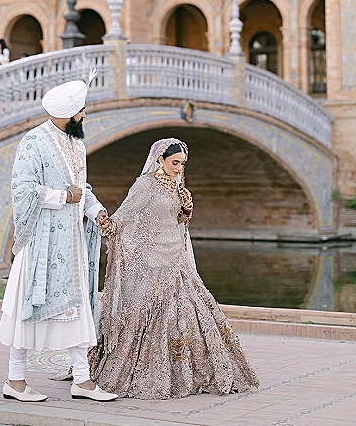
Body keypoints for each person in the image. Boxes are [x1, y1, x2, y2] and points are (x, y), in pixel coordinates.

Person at [88, 137, 259, 399]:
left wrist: (186, 211)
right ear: (160, 159)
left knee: (189, 315)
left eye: (182, 163)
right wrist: (109, 225)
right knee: (144, 318)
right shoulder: (145, 184)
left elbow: (177, 219)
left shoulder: (177, 186)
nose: (179, 168)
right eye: (175, 162)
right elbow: (126, 214)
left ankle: (195, 374)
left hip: (175, 258)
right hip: (151, 262)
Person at [0, 75, 118, 403]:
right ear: (69, 113)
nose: (85, 115)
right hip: (41, 244)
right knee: (25, 310)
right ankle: (16, 380)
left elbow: (82, 189)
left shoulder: (77, 144)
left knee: (79, 310)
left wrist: (97, 212)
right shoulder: (34, 142)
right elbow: (21, 188)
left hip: (72, 243)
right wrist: (63, 196)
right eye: (82, 111)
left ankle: (82, 380)